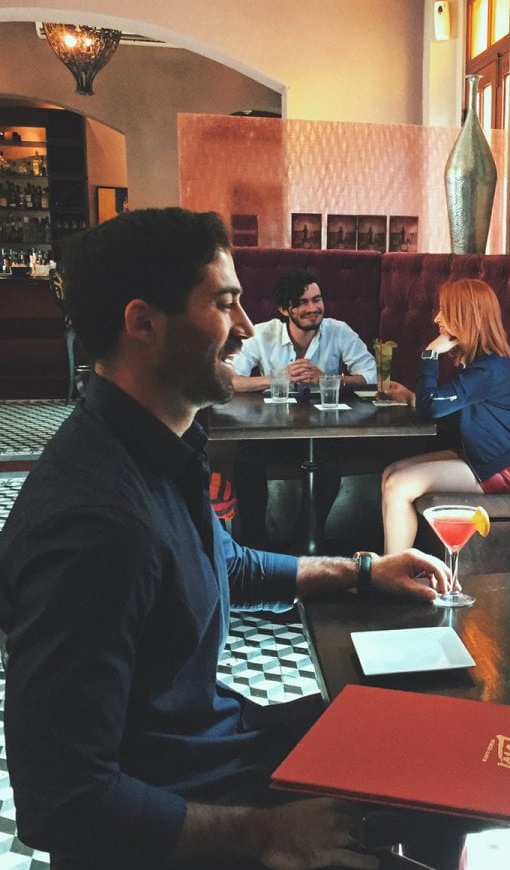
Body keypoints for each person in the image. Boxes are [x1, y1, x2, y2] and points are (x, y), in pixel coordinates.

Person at [0, 208, 451, 869]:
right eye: (225, 303)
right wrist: (266, 836)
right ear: (143, 323)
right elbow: (65, 799)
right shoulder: (94, 525)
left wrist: (361, 571)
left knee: (421, 742)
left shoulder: (154, 444)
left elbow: (226, 564)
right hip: (182, 814)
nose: (243, 327)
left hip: (216, 750)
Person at [380, 278, 510, 553]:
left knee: (398, 486)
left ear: (466, 317)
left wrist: (430, 355)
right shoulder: (481, 362)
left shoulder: (487, 369)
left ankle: (395, 573)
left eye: (446, 312)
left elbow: (432, 408)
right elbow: (443, 409)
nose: (438, 318)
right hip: (480, 455)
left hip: (503, 466)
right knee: (391, 472)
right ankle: (394, 565)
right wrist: (411, 398)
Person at [230, 267, 376, 548]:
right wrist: (277, 377)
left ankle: (307, 537)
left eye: (317, 300)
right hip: (275, 429)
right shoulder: (262, 334)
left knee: (330, 460)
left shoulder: (338, 331)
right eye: (302, 303)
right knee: (248, 459)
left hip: (322, 429)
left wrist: (329, 379)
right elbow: (230, 380)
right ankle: (254, 543)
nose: (313, 308)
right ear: (284, 309)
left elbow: (372, 376)